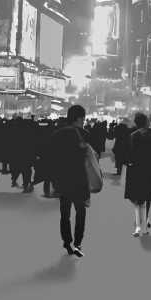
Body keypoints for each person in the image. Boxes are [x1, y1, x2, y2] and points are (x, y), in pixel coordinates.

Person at [47, 105, 91, 258]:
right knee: (81, 211)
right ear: (79, 118)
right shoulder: (84, 134)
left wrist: (53, 180)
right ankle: (78, 242)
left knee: (65, 213)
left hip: (62, 180)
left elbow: (50, 158)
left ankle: (67, 241)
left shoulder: (56, 134)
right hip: (79, 180)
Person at [124, 113, 151, 237]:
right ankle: (145, 220)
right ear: (147, 122)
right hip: (150, 168)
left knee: (137, 198)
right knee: (147, 195)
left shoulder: (133, 136)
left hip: (136, 169)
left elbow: (129, 153)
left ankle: (138, 225)